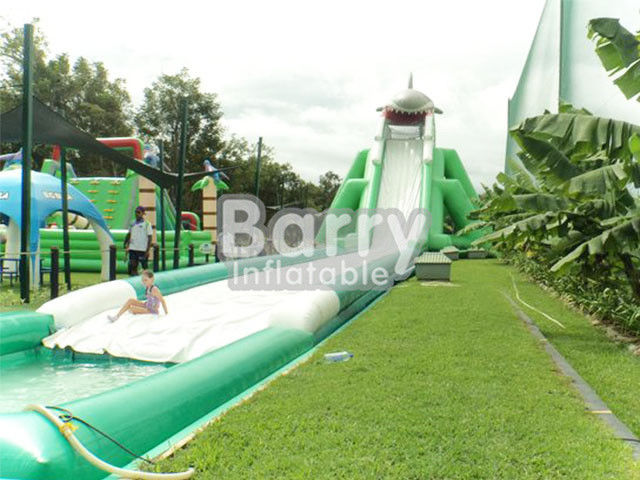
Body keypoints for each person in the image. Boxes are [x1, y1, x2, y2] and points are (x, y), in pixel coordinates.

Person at [125, 206, 152, 275]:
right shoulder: (132, 223)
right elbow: (129, 234)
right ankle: (134, 278)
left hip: (142, 249)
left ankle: (148, 279)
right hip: (133, 248)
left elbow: (150, 237)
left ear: (143, 213)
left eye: (138, 212)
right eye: (136, 212)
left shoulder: (147, 224)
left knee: (144, 267)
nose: (136, 214)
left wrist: (147, 250)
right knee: (133, 266)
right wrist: (126, 243)